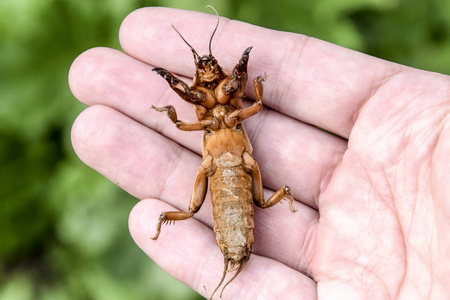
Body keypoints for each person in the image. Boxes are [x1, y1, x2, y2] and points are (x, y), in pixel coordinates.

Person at [69, 7, 450, 299]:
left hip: (229, 170)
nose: (205, 74)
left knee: (253, 200)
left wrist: (248, 81)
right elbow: (184, 121)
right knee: (194, 207)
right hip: (219, 174)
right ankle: (216, 226)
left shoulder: (229, 104)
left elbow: (247, 105)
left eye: (211, 71)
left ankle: (265, 209)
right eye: (200, 74)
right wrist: (171, 96)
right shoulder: (215, 106)